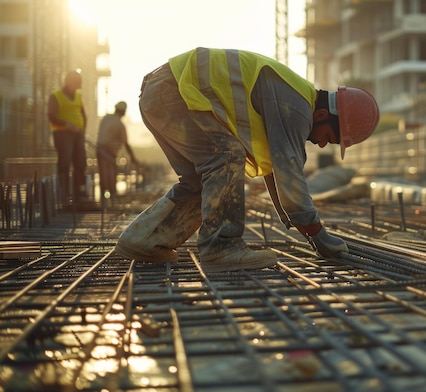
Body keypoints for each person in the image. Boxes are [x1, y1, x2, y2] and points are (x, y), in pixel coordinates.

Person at [115, 47, 379, 272]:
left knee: (201, 179)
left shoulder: (294, 100)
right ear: (323, 116)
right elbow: (289, 170)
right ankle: (221, 247)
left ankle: (143, 239)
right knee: (226, 156)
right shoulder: (297, 106)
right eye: (330, 138)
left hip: (163, 93)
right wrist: (316, 233)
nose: (322, 144)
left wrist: (304, 227)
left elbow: (276, 171)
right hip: (174, 92)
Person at [48, 70, 90, 207]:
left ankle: (79, 194)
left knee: (80, 163)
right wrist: (66, 124)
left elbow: (83, 115)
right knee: (64, 162)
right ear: (68, 81)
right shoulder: (56, 96)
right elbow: (51, 116)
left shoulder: (78, 96)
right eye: (77, 82)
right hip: (62, 133)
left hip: (78, 134)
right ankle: (64, 195)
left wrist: (82, 130)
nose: (79, 85)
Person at [96, 101, 138, 199]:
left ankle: (104, 199)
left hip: (100, 149)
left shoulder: (105, 118)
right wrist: (133, 158)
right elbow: (125, 144)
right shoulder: (119, 124)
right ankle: (112, 197)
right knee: (110, 174)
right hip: (109, 152)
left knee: (103, 174)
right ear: (123, 112)